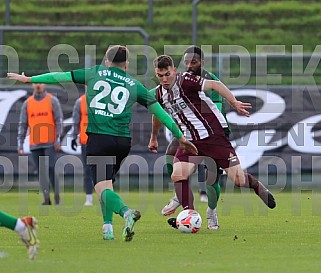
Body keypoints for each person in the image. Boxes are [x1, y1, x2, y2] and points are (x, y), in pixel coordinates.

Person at [8, 45, 197, 242]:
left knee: (102, 188)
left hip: (99, 139)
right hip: (123, 143)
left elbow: (59, 76)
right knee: (107, 185)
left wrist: (30, 79)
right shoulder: (134, 85)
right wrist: (180, 136)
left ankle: (126, 213)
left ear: (106, 61)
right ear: (126, 65)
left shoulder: (94, 73)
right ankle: (107, 228)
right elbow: (160, 113)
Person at [148, 55, 276, 229]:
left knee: (237, 180)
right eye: (159, 75)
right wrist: (154, 137)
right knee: (178, 174)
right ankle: (189, 213)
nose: (164, 79)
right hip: (190, 141)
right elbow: (156, 112)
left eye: (167, 74)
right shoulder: (158, 93)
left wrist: (234, 102)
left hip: (213, 137)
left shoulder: (186, 80)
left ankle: (257, 187)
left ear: (174, 71)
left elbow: (215, 85)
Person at [156, 46, 230, 229]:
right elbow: (157, 103)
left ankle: (212, 211)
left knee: (211, 179)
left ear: (201, 63)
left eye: (193, 62)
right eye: (186, 62)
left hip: (213, 132)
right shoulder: (177, 79)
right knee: (169, 156)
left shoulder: (209, 79)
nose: (189, 65)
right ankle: (179, 195)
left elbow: (218, 104)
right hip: (189, 133)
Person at [17, 83, 63, 205]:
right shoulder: (27, 103)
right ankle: (46, 198)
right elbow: (23, 124)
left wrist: (58, 139)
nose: (38, 85)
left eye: (40, 83)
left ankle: (57, 196)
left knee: (51, 168)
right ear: (32, 85)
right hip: (35, 143)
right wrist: (20, 143)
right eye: (36, 83)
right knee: (41, 171)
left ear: (44, 85)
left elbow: (59, 121)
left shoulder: (52, 100)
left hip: (50, 142)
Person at [71, 93, 94, 206]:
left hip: (102, 139)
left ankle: (105, 197)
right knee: (87, 170)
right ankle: (89, 197)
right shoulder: (80, 101)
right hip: (85, 141)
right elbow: (76, 121)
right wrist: (74, 137)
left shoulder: (105, 99)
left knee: (103, 169)